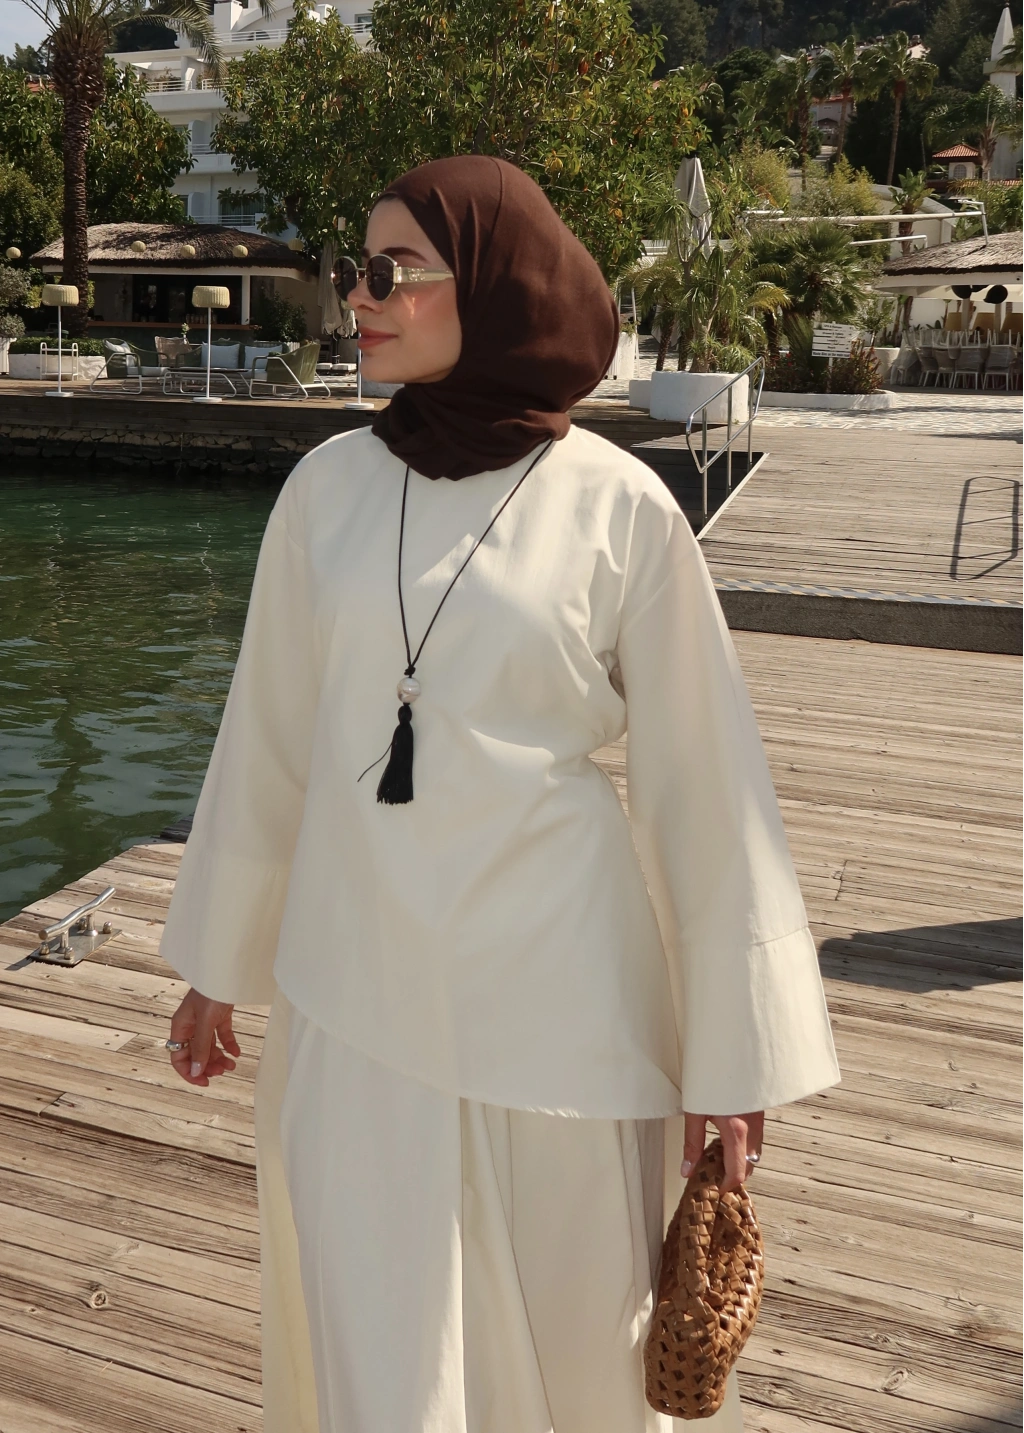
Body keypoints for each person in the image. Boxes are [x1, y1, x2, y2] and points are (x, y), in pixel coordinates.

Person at [160, 156, 840, 1433]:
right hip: (353, 992)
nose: (357, 296)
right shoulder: (325, 491)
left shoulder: (619, 506)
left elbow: (704, 788)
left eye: (390, 271)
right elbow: (268, 741)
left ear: (493, 284)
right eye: (352, 268)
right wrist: (216, 965)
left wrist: (732, 1050)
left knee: (577, 1351)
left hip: (564, 1007)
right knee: (380, 1355)